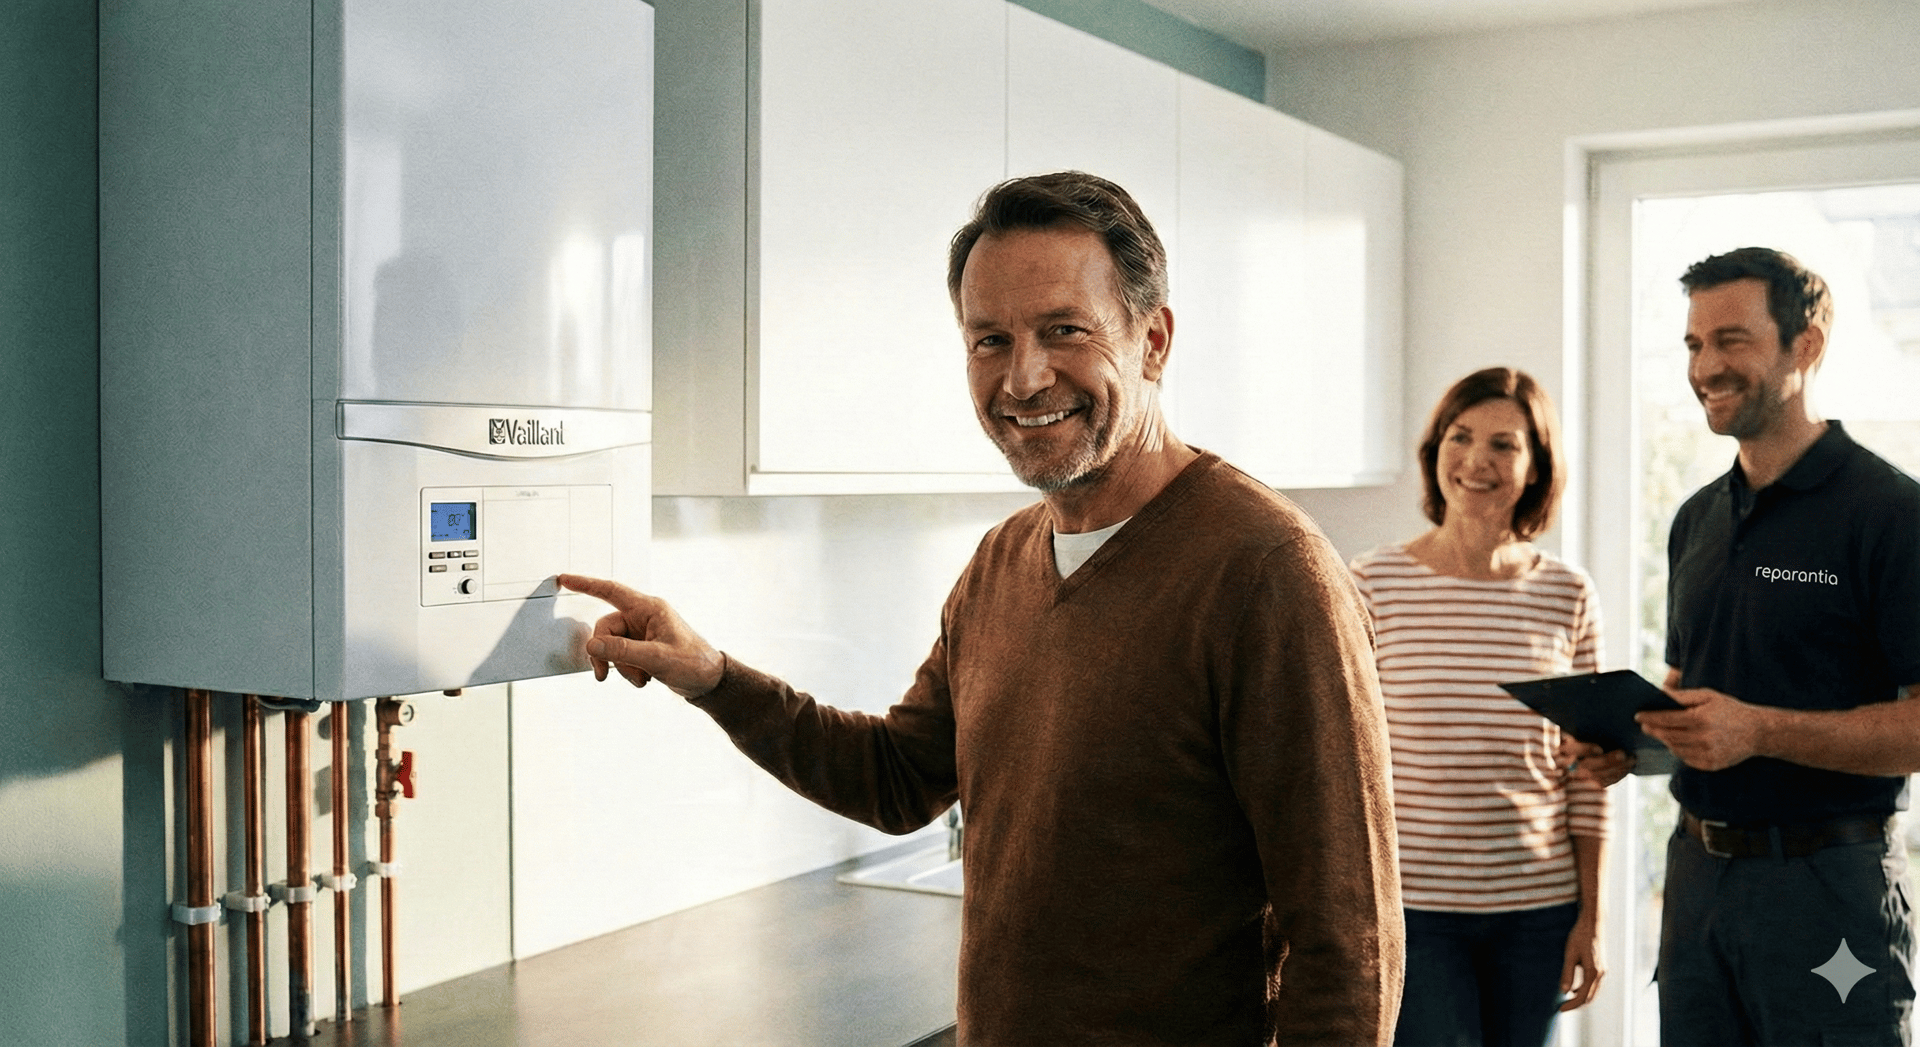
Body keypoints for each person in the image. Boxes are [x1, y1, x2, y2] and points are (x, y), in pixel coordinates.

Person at [559, 171, 1404, 1045]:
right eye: (989, 339)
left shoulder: (1269, 570)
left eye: (1064, 331)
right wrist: (714, 677)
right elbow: (897, 778)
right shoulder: (1002, 561)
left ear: (1153, 341)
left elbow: (1351, 944)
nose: (1024, 377)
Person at [1633, 247, 1920, 1045]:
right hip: (1696, 884)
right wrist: (1628, 741)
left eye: (1732, 340)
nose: (1706, 366)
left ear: (1807, 344)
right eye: (1694, 344)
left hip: (1827, 891)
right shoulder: (1697, 518)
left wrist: (1760, 729)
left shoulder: (1892, 514)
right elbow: (1692, 701)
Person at [1348, 367, 1608, 1047]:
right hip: (1413, 910)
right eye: (1460, 437)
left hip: (1539, 911)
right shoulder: (1373, 582)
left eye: (1504, 444)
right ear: (1436, 450)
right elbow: (1341, 755)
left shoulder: (1568, 595)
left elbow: (1588, 777)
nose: (1476, 460)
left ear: (1536, 467)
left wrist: (1593, 914)